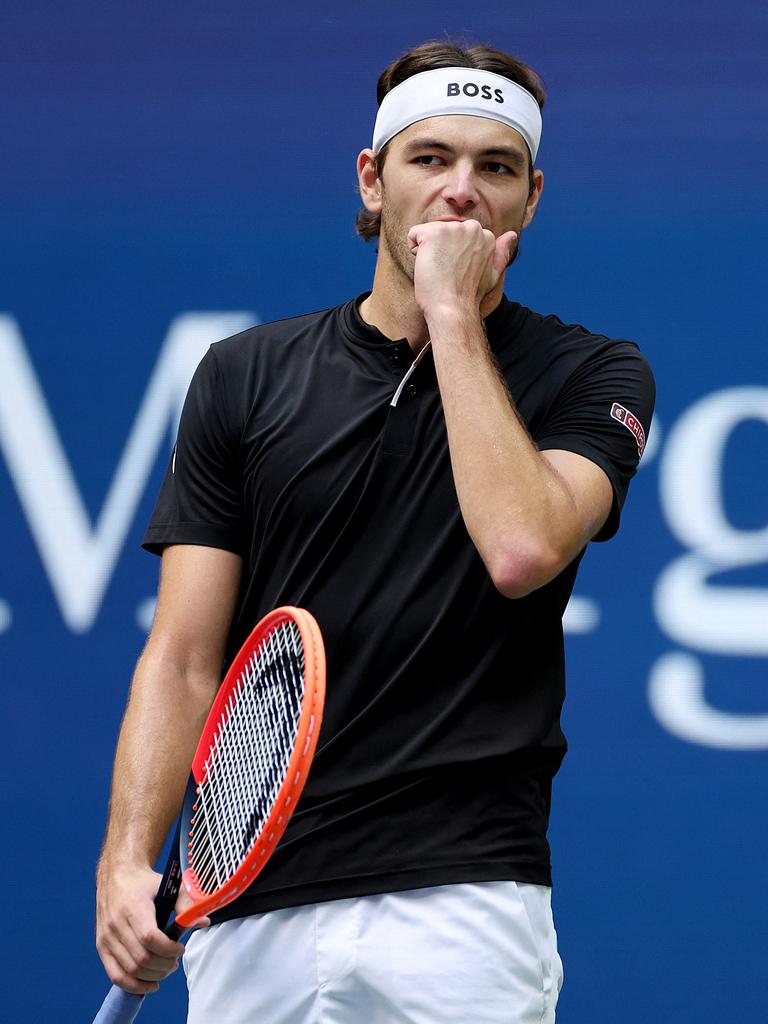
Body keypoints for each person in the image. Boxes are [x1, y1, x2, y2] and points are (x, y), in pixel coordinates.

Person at [95, 39, 654, 1024]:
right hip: (250, 892)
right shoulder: (242, 373)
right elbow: (184, 657)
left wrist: (449, 312)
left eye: (495, 167)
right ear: (373, 176)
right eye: (429, 158)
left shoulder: (593, 372)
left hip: (465, 894)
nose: (461, 190)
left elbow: (522, 549)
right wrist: (128, 858)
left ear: (530, 196)